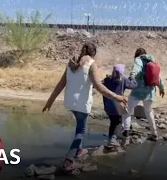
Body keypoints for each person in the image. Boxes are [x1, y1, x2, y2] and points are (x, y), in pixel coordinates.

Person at [42, 43, 127, 171]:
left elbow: (60, 84)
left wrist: (50, 101)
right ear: (93, 54)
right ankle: (68, 161)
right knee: (81, 131)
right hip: (81, 103)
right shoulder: (91, 64)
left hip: (70, 101)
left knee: (80, 125)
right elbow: (99, 87)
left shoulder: (72, 63)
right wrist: (117, 97)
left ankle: (79, 150)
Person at [121, 48, 165, 146]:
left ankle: (126, 132)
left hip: (137, 91)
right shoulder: (152, 61)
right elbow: (157, 77)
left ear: (136, 55)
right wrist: (161, 88)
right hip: (150, 92)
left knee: (127, 110)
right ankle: (154, 134)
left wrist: (132, 76)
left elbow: (136, 68)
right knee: (149, 112)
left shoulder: (138, 60)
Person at [102, 64, 137, 149]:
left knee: (113, 123)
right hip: (117, 106)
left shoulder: (108, 79)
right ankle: (113, 140)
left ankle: (110, 143)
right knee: (118, 123)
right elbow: (134, 85)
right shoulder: (124, 80)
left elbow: (100, 84)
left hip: (108, 106)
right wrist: (132, 78)